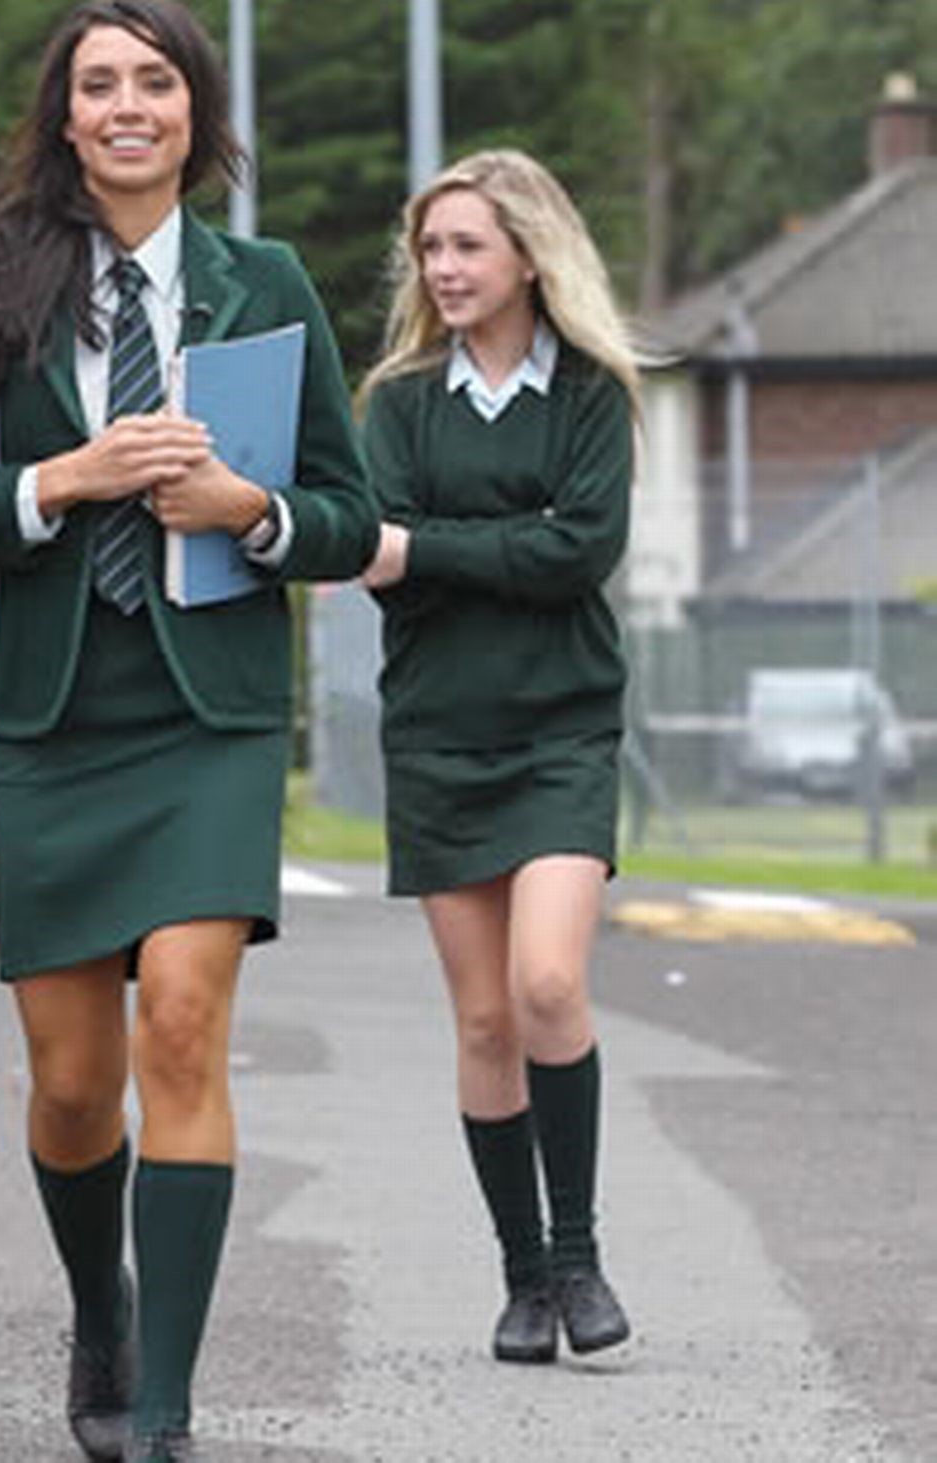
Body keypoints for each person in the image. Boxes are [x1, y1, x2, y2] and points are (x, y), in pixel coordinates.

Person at [0, 4, 377, 1456]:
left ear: (193, 112)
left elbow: (343, 513)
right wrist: (65, 477)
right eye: (96, 84)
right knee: (73, 1080)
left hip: (204, 714)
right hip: (39, 714)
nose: (125, 106)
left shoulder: (265, 282)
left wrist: (253, 512)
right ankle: (99, 1304)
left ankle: (162, 1399)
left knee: (180, 1024)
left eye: (152, 82)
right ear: (62, 117)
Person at [357, 149, 640, 1365]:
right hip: (437, 734)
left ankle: (577, 1257)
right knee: (481, 1025)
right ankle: (521, 1280)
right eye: (431, 248)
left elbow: (579, 551)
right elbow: (372, 556)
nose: (446, 268)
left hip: (562, 727)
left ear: (529, 251)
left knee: (545, 988)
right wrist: (475, 544)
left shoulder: (589, 393)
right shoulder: (399, 401)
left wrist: (429, 548)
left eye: (467, 245)